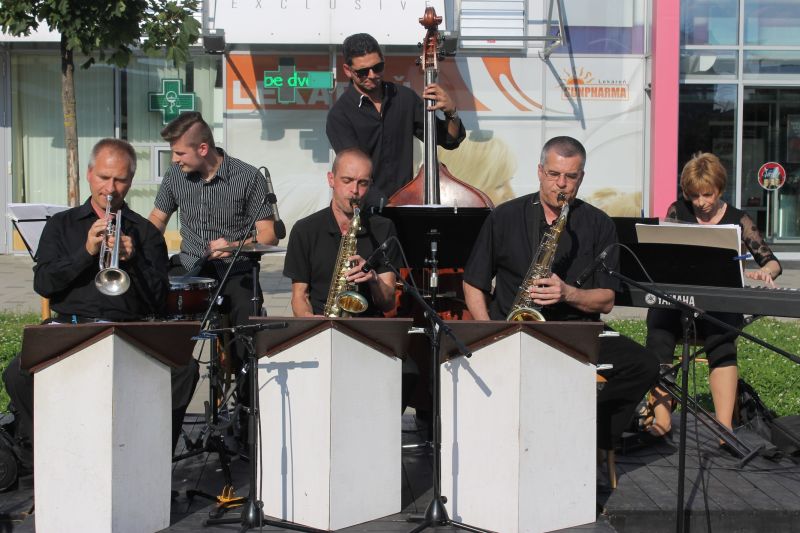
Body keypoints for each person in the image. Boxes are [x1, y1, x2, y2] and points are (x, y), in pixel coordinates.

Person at [2, 138, 198, 458]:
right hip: (73, 328)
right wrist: (86, 252)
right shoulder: (62, 225)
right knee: (17, 374)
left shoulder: (146, 232)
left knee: (184, 370)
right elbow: (44, 284)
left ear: (130, 181)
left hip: (130, 329)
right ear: (89, 174)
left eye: (120, 180)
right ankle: (55, 452)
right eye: (104, 177)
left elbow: (159, 299)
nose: (110, 188)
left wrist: (134, 259)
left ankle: (151, 456)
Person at [462, 136, 659, 453]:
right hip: (512, 329)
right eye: (554, 174)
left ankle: (591, 442)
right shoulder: (505, 216)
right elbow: (473, 282)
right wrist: (487, 330)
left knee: (644, 364)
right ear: (540, 172)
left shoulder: (599, 224)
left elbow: (607, 300)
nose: (562, 184)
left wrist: (568, 293)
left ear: (581, 177)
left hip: (575, 332)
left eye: (571, 176)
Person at [644, 152, 782, 438]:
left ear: (720, 189)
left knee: (721, 340)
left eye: (707, 194)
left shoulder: (738, 219)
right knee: (658, 329)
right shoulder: (678, 211)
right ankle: (662, 420)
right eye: (694, 195)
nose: (700, 202)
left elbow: (772, 262)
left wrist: (764, 271)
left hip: (719, 304)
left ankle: (724, 428)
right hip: (680, 303)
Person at [148, 112, 278, 363]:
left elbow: (269, 235)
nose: (174, 159)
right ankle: (177, 377)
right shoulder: (175, 176)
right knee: (165, 334)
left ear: (203, 148)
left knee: (246, 335)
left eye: (180, 153)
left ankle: (243, 383)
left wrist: (234, 246)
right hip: (190, 267)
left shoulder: (249, 177)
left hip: (235, 271)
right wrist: (140, 243)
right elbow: (157, 218)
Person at [326, 33, 466, 210]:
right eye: (362, 72)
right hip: (366, 211)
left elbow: (448, 140)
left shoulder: (404, 98)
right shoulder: (340, 115)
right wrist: (388, 206)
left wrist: (451, 112)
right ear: (348, 70)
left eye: (378, 67)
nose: (372, 75)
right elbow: (354, 171)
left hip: (406, 204)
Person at [283, 148, 399, 317]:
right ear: (331, 179)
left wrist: (374, 278)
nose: (355, 190)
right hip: (322, 322)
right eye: (347, 180)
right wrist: (311, 321)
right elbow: (299, 296)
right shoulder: (304, 230)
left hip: (367, 325)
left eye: (363, 183)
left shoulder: (383, 228)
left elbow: (388, 304)